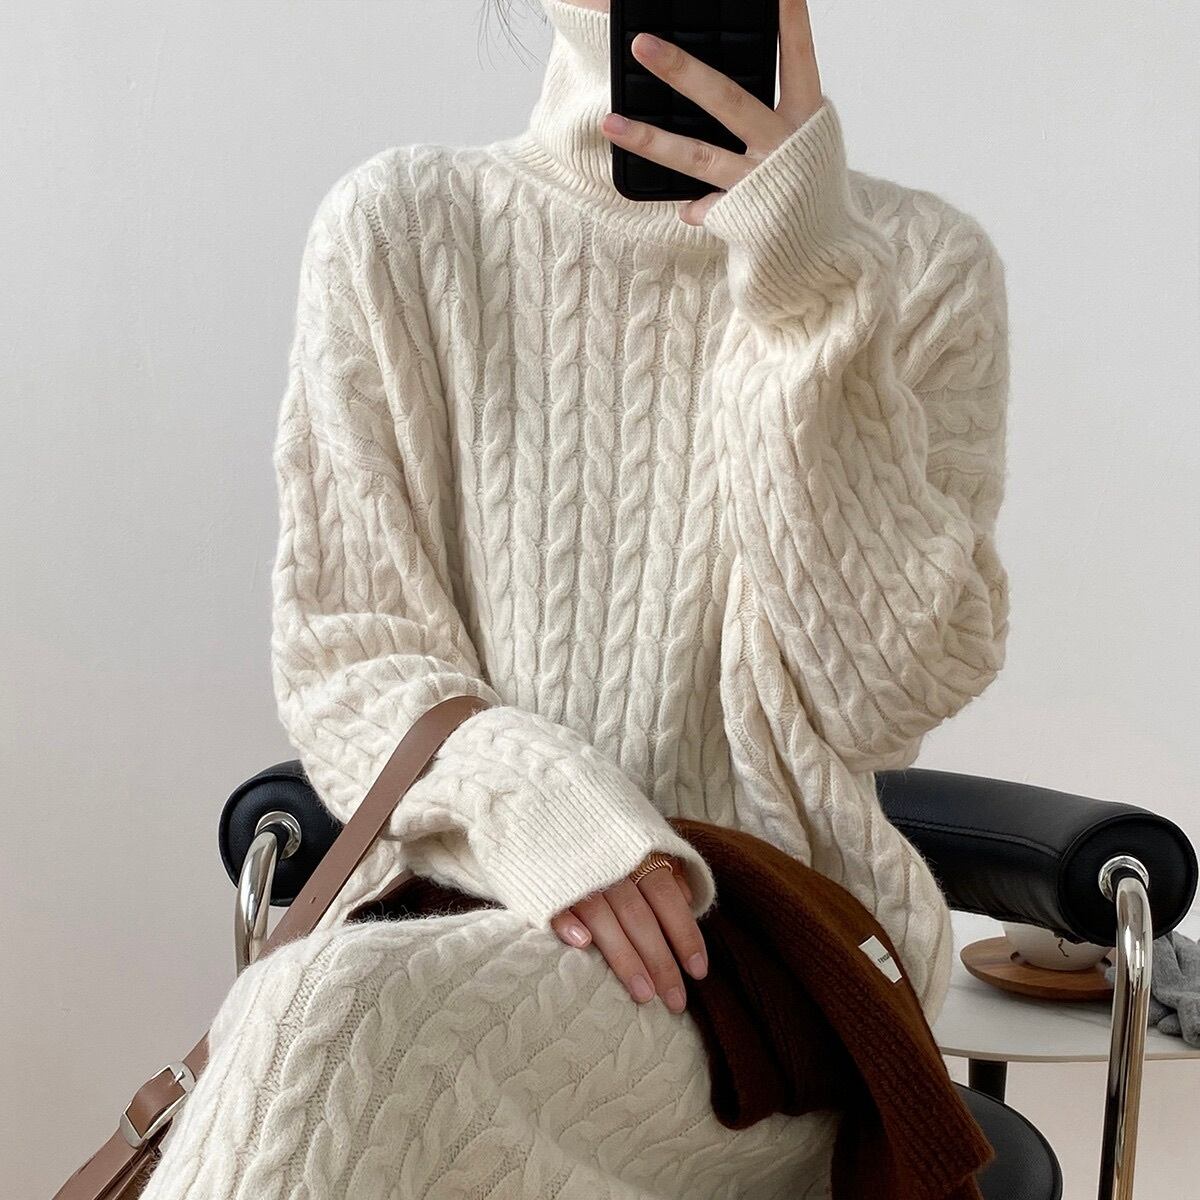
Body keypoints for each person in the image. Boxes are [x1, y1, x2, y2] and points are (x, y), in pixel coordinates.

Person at [142, 0, 1010, 1195]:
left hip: (768, 966)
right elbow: (352, 649)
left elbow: (883, 694)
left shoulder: (918, 269)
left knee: (334, 1025)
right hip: (459, 909)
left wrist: (807, 298)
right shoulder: (401, 230)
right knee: (324, 1016)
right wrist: (557, 818)